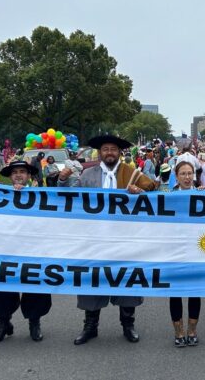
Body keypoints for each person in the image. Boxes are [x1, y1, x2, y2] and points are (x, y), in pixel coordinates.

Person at [57, 134, 157, 345]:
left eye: (113, 149)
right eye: (106, 149)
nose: (109, 153)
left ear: (119, 152)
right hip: (96, 240)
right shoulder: (87, 175)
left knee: (127, 281)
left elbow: (156, 193)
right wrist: (63, 180)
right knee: (92, 281)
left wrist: (140, 192)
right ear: (100, 153)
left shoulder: (132, 173)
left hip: (125, 239)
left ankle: (128, 325)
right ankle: (90, 326)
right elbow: (72, 198)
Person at [0, 161, 52, 344]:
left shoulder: (42, 196)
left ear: (29, 176)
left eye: (22, 172)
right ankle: (3, 323)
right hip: (8, 249)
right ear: (9, 176)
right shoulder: (0, 196)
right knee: (3, 287)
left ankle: (34, 322)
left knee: (35, 286)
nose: (18, 175)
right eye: (15, 172)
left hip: (34, 249)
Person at [168, 161, 205, 347]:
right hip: (175, 251)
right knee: (175, 292)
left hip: (196, 250)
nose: (187, 177)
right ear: (176, 176)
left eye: (190, 173)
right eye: (183, 173)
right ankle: (178, 331)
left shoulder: (203, 195)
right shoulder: (169, 197)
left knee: (194, 291)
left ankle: (192, 330)